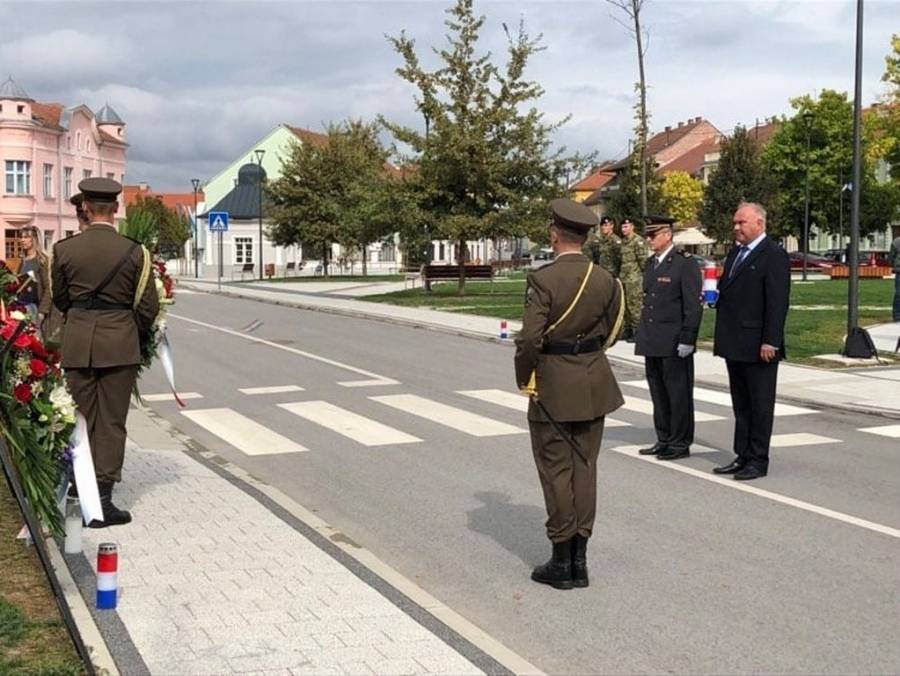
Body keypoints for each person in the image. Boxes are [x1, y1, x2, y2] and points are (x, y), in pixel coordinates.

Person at [515, 198, 625, 590]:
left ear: (554, 234)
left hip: (555, 385)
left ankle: (562, 561)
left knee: (556, 471)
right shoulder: (606, 280)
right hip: (594, 383)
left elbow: (529, 339)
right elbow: (612, 330)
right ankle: (581, 561)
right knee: (585, 467)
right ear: (585, 237)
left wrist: (525, 377)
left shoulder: (543, 280)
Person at [52, 178, 159, 527]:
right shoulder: (135, 251)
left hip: (78, 343)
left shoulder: (64, 250)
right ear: (115, 208)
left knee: (79, 418)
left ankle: (76, 494)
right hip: (119, 345)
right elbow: (147, 307)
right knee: (112, 422)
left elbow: (61, 300)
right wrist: (128, 332)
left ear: (84, 207)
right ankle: (102, 501)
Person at [712, 202, 790, 481]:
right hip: (735, 341)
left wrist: (771, 340)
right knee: (741, 404)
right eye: (735, 222)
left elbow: (777, 302)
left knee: (759, 405)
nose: (736, 227)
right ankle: (742, 454)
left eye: (741, 222)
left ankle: (758, 459)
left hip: (759, 344)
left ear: (759, 223)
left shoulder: (773, 254)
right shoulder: (736, 252)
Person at [634, 216, 702, 461]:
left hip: (674, 340)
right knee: (658, 393)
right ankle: (663, 438)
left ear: (667, 235)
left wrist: (688, 338)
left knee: (678, 394)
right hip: (653, 338)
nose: (648, 240)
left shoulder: (684, 263)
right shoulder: (651, 263)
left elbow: (692, 305)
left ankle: (679, 442)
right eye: (647, 235)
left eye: (653, 235)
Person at [13, 226, 52, 328]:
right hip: (21, 308)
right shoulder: (22, 261)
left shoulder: (42, 260)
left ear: (34, 239)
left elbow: (48, 287)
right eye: (21, 237)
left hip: (35, 308)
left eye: (26, 237)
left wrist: (42, 311)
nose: (22, 240)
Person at [618, 217, 648, 342]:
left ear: (632, 227)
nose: (623, 229)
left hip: (634, 279)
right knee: (625, 306)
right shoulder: (623, 242)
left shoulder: (638, 241)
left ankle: (638, 331)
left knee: (634, 306)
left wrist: (643, 277)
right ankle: (628, 330)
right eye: (622, 227)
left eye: (626, 226)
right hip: (624, 278)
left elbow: (643, 261)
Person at [890, 232, 900, 322]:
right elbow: (891, 257)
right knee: (899, 294)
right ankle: (897, 316)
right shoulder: (897, 242)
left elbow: (891, 258)